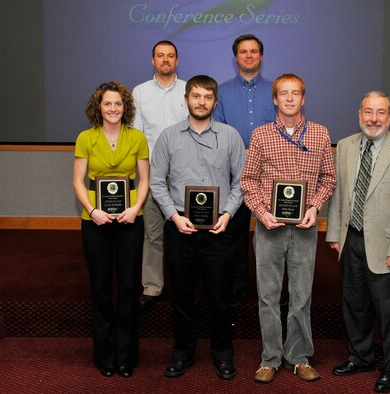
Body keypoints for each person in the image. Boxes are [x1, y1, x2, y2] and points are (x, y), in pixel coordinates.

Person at [241, 74, 336, 383]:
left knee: (301, 296)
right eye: (284, 93)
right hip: (269, 228)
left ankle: (298, 357)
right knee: (267, 297)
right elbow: (248, 180)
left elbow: (328, 179)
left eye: (296, 93)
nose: (290, 98)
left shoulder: (321, 134)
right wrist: (261, 212)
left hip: (305, 229)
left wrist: (314, 207)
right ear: (275, 99)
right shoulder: (261, 135)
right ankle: (270, 358)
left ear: (303, 98)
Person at [150, 75, 246, 380]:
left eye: (207, 97)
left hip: (219, 228)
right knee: (182, 295)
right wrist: (173, 216)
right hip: (181, 227)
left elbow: (241, 181)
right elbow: (155, 181)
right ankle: (183, 353)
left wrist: (228, 214)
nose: (201, 102)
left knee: (220, 296)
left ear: (215, 102)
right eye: (196, 96)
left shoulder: (230, 136)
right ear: (186, 99)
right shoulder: (168, 136)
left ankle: (222, 354)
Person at [326, 91, 390, 393]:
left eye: (381, 113)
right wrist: (334, 234)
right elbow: (339, 194)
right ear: (359, 114)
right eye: (368, 112)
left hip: (386, 246)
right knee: (354, 305)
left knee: (389, 313)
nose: (374, 119)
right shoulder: (344, 146)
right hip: (351, 239)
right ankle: (361, 357)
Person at [73, 81, 149, 378]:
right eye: (108, 104)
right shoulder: (85, 138)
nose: (113, 109)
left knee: (129, 288)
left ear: (125, 107)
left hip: (131, 218)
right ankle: (105, 355)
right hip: (95, 221)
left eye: (118, 104)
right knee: (101, 287)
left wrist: (135, 208)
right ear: (98, 107)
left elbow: (143, 179)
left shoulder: (138, 138)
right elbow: (79, 180)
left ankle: (126, 356)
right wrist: (92, 211)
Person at [213, 34, 276, 306]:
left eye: (253, 51)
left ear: (261, 56)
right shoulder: (222, 91)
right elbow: (217, 131)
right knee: (235, 234)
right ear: (235, 57)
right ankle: (237, 287)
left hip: (270, 172)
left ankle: (271, 290)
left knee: (273, 231)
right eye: (243, 51)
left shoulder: (276, 90)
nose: (248, 55)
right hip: (233, 172)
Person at [132, 40, 188, 310]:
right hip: (153, 176)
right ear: (153, 60)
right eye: (160, 56)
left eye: (170, 56)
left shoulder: (189, 91)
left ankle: (185, 285)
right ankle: (152, 286)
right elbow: (138, 138)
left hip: (185, 177)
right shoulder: (140, 93)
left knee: (185, 234)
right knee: (152, 235)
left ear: (177, 61)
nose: (165, 60)